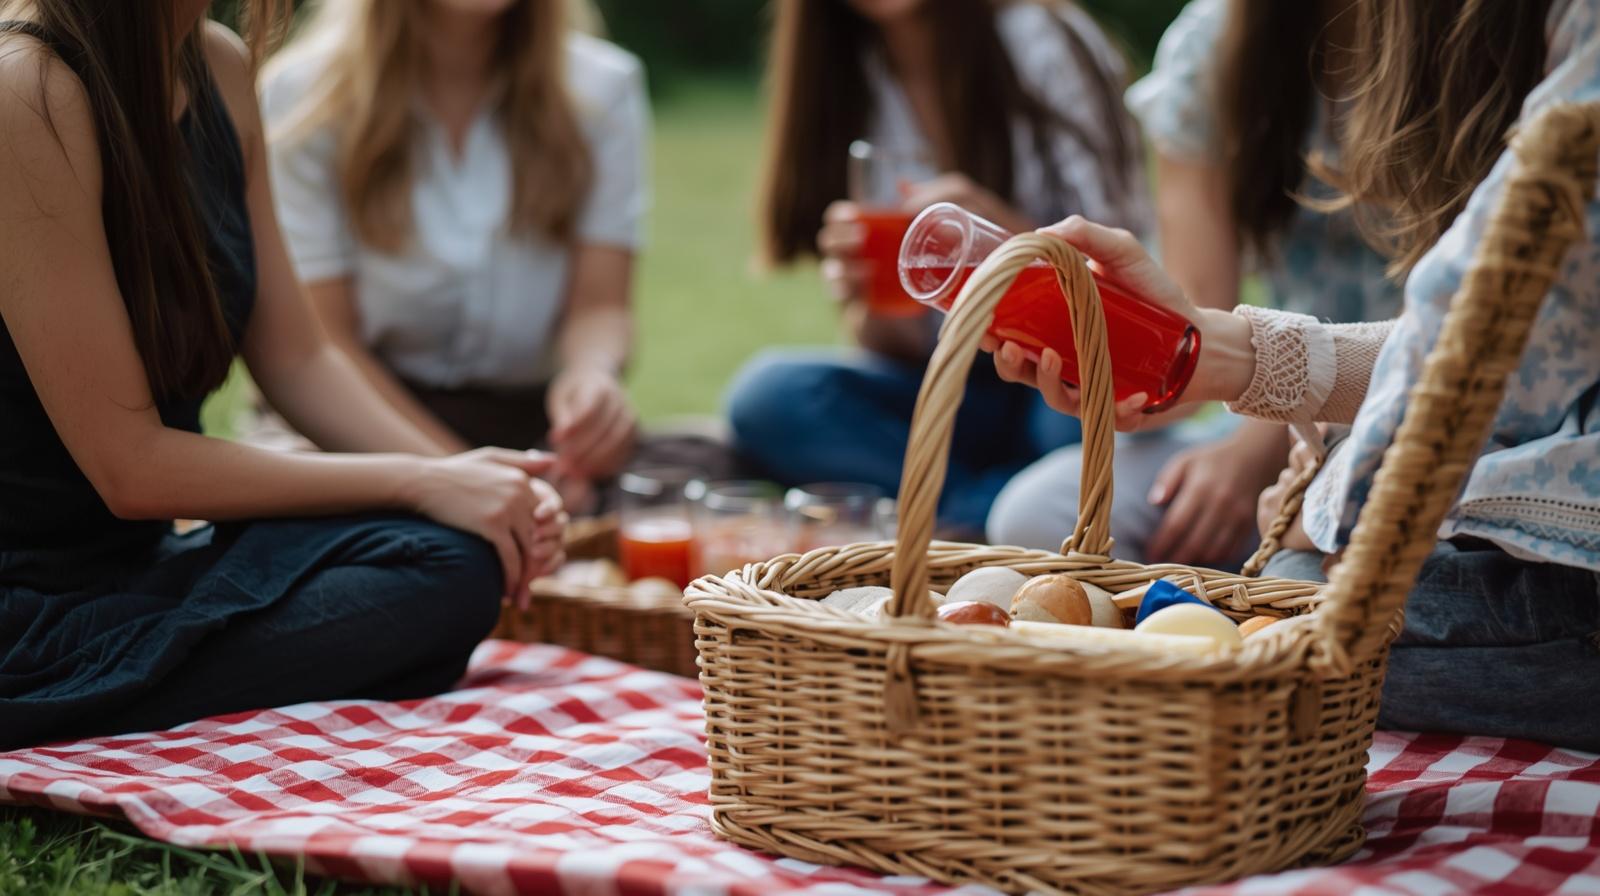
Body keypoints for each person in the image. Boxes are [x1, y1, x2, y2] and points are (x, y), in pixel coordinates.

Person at [994, 0, 1600, 749]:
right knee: (1034, 510)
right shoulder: (1222, 49)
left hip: (1419, 441)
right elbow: (1483, 343)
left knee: (1282, 615)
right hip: (1344, 421)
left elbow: (1508, 357)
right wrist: (1188, 356)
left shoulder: (1519, 37)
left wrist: (1329, 484)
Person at [0, 0, 565, 751]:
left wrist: (472, 483)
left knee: (450, 558)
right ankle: (66, 702)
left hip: (137, 571)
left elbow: (300, 359)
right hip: (25, 607)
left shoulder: (218, 66)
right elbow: (128, 467)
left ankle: (131, 690)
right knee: (430, 562)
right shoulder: (26, 91)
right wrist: (419, 480)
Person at [986, 0, 1401, 568]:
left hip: (1426, 421)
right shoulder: (1217, 45)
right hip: (1270, 408)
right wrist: (1123, 368)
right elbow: (1197, 324)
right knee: (1038, 510)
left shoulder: (1472, 40)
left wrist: (1253, 453)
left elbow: (1461, 346)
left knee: (1307, 570)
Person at [726, 0, 1150, 536]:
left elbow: (1126, 287)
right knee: (769, 396)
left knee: (1074, 426)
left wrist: (1006, 237)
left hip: (1053, 370)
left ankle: (967, 516)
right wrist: (874, 306)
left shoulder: (1042, 40)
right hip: (950, 383)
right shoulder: (843, 69)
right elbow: (899, 346)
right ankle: (990, 517)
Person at [263, 0, 647, 513]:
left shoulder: (601, 89)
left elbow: (600, 307)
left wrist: (592, 379)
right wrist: (465, 482)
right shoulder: (306, 97)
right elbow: (326, 344)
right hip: (353, 432)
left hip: (531, 435)